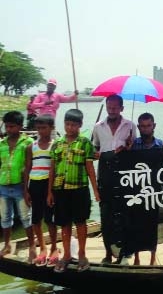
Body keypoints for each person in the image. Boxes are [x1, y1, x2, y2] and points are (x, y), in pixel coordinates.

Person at [47, 109, 99, 273]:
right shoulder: (57, 144)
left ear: (80, 125)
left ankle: (82, 253)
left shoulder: (85, 143)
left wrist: (95, 190)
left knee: (81, 222)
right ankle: (67, 254)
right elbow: (52, 169)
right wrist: (49, 192)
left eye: (74, 125)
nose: (70, 128)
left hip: (79, 189)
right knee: (64, 223)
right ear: (64, 124)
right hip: (60, 189)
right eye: (67, 124)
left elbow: (90, 168)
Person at [92, 94, 137, 264]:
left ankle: (125, 252)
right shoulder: (98, 126)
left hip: (125, 174)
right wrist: (104, 155)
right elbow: (95, 152)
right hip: (105, 175)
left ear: (121, 108)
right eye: (109, 107)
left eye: (115, 107)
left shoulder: (130, 126)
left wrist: (129, 147)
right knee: (106, 216)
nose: (112, 110)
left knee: (125, 215)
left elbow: (133, 151)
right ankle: (108, 253)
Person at [24, 114, 60, 267]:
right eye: (38, 128)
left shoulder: (56, 145)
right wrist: (25, 190)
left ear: (51, 128)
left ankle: (53, 247)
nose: (40, 131)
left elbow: (56, 168)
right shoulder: (31, 147)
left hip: (49, 184)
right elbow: (27, 169)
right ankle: (43, 248)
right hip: (35, 184)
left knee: (50, 219)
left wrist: (52, 190)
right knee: (36, 219)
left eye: (44, 128)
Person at [130, 112, 163, 265]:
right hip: (136, 190)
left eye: (148, 126)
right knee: (136, 224)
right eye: (142, 126)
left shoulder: (161, 145)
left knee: (152, 224)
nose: (145, 129)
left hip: (154, 191)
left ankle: (152, 258)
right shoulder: (133, 145)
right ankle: (136, 257)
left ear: (154, 126)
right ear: (138, 127)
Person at [0, 111, 35, 262]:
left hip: (20, 187)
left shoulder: (27, 143)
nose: (8, 129)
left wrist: (27, 189)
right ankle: (7, 244)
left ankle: (32, 245)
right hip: (3, 186)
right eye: (7, 126)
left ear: (20, 126)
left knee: (26, 217)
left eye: (12, 126)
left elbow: (29, 166)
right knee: (5, 217)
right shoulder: (1, 144)